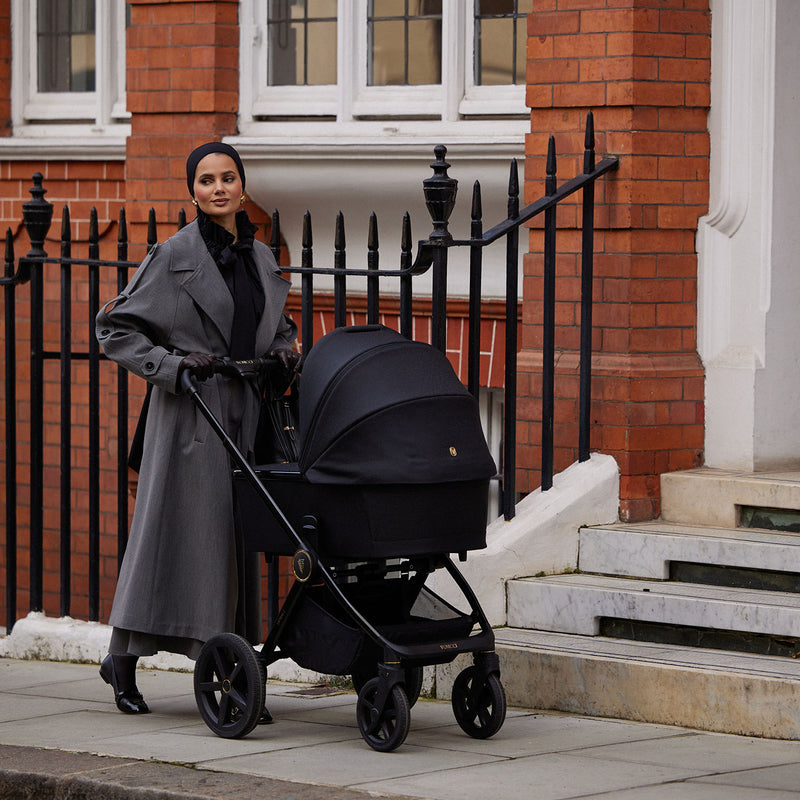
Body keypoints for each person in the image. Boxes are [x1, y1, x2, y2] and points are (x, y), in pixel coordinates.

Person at [95, 142, 298, 714]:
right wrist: (172, 367)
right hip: (188, 416)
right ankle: (124, 659)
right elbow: (114, 329)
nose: (217, 188)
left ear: (242, 186)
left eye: (227, 178)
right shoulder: (172, 254)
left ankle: (228, 664)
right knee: (165, 540)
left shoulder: (258, 257)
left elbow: (275, 326)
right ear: (192, 192)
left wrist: (284, 353)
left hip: (245, 416)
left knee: (230, 545)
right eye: (206, 180)